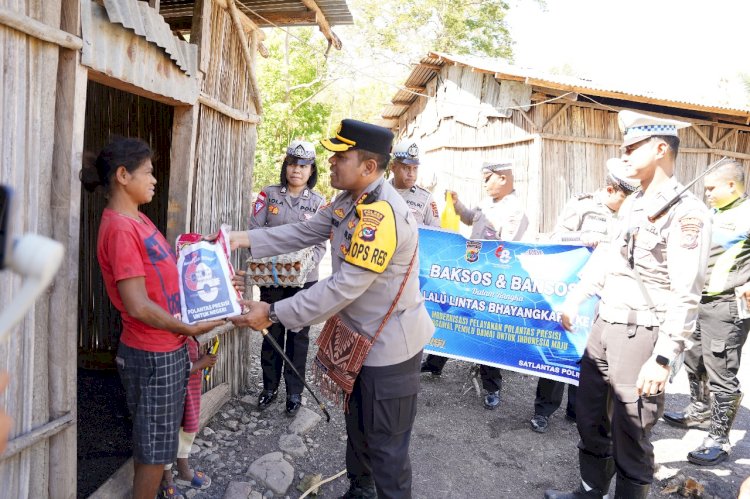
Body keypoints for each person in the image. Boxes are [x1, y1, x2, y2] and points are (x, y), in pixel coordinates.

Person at [228, 119, 434, 499]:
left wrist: (272, 314)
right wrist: (235, 238)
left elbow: (341, 288)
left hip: (388, 348)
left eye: (340, 157)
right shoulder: (348, 200)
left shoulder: (381, 215)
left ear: (368, 167)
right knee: (357, 425)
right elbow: (302, 232)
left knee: (387, 447)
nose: (332, 163)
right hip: (361, 338)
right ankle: (360, 490)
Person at [544, 110, 711, 499]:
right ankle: (590, 491)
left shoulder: (687, 213)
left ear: (660, 148)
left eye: (632, 148)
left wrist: (665, 357)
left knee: (632, 430)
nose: (625, 155)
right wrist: (575, 298)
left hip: (642, 333)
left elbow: (688, 292)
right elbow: (606, 258)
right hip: (604, 326)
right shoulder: (634, 204)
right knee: (589, 419)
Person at [79, 138, 222, 499]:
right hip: (153, 353)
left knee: (157, 443)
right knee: (154, 449)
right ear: (124, 176)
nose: (155, 179)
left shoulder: (137, 219)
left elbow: (165, 277)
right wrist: (187, 328)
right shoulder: (120, 229)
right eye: (149, 172)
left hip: (166, 348)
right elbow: (138, 304)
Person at [531, 158, 640, 434]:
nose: (627, 203)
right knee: (562, 348)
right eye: (624, 196)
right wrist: (583, 237)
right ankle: (544, 410)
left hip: (605, 296)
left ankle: (576, 410)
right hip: (572, 291)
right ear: (611, 189)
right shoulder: (581, 205)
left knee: (589, 355)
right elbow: (556, 238)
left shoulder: (629, 214)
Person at [662, 159, 750, 466]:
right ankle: (698, 411)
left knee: (722, 372)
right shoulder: (711, 213)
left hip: (726, 307)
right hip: (700, 301)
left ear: (731, 185)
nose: (707, 193)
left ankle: (720, 439)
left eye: (712, 188)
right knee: (694, 358)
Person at [421, 160, 528, 410]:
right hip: (471, 274)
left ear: (503, 178)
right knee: (455, 317)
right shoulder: (487, 203)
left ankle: (492, 386)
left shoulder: (514, 210)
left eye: (488, 176)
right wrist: (456, 204)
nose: (484, 181)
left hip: (491, 280)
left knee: (485, 330)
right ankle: (435, 364)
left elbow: (507, 249)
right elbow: (470, 219)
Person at [249, 140, 326, 416]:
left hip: (304, 281)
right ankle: (269, 388)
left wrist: (302, 267)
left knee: (299, 335)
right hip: (272, 277)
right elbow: (255, 231)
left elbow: (319, 245)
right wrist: (277, 264)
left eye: (303, 166)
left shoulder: (319, 203)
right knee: (271, 332)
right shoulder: (268, 195)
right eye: (293, 164)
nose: (297, 170)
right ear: (286, 166)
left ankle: (294, 392)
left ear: (311, 170)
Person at [161, 337, 217, 497]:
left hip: (190, 386)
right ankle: (166, 478)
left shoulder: (189, 332)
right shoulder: (167, 334)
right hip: (171, 391)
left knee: (187, 428)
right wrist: (200, 363)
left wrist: (203, 361)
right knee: (168, 433)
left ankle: (184, 469)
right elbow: (173, 369)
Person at [389, 139, 440, 227]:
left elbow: (435, 233)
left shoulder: (426, 198)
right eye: (406, 168)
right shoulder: (380, 192)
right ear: (393, 167)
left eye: (415, 168)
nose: (411, 174)